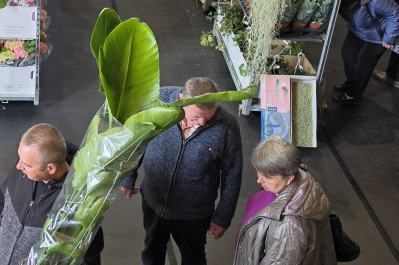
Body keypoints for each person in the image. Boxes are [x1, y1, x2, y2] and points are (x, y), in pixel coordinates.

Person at [121, 77, 243, 265]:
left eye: (208, 117)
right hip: (154, 200)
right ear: (181, 99)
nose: (202, 123)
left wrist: (223, 216)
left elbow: (233, 172)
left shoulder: (227, 125)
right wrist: (129, 175)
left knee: (193, 258)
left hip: (194, 213)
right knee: (151, 253)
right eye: (195, 117)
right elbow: (137, 138)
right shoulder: (159, 100)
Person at [0, 124, 104, 265]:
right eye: (19, 158)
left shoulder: (76, 200)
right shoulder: (26, 165)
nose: (18, 167)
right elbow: (3, 199)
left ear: (50, 168)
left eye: (26, 164)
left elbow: (87, 254)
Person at [233, 137, 336, 265]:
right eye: (258, 173)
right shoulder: (303, 179)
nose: (259, 180)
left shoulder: (289, 228)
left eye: (266, 177)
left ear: (289, 178)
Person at [334, 0, 399, 104]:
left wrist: (389, 38)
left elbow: (396, 14)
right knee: (348, 54)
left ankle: (353, 96)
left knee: (362, 65)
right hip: (358, 29)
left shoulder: (377, 0)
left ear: (355, 2)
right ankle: (350, 84)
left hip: (378, 35)